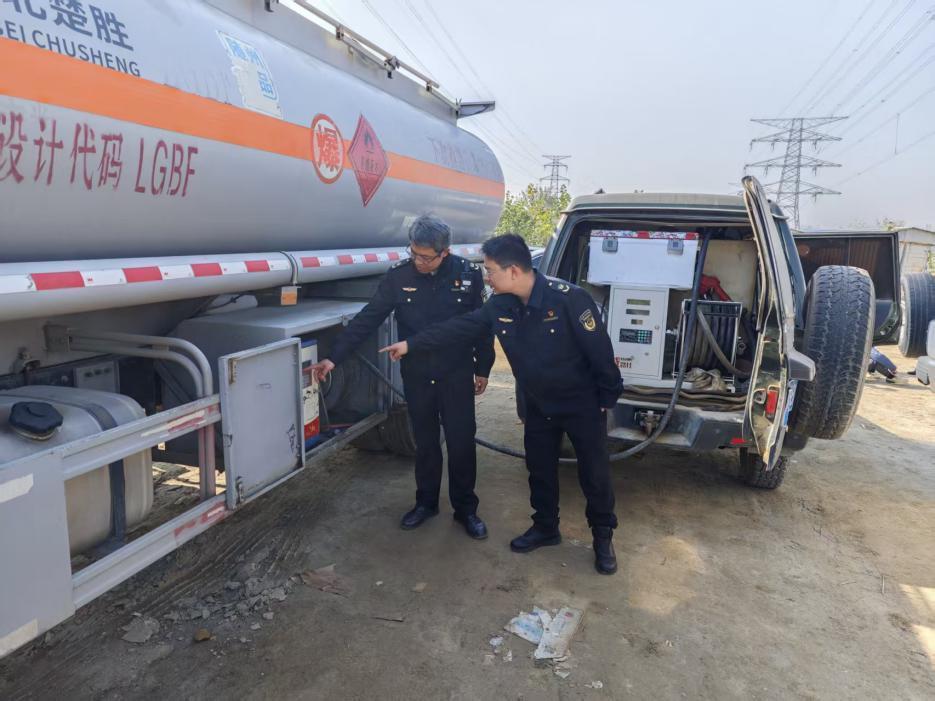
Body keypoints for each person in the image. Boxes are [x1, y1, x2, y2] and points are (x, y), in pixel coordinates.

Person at [381, 233, 623, 574]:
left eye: (491, 270)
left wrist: (607, 398)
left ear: (513, 271)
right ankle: (545, 528)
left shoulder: (569, 299)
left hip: (580, 404)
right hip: (538, 404)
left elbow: (601, 353)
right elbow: (459, 328)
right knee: (539, 469)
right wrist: (411, 345)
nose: (487, 277)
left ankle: (602, 536)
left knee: (594, 474)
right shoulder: (500, 305)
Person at [311, 215, 494, 539]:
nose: (419, 262)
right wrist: (333, 357)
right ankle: (425, 503)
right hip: (418, 374)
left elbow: (481, 325)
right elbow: (368, 318)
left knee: (461, 442)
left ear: (445, 252)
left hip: (456, 373)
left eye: (427, 257)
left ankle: (466, 509)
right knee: (425, 441)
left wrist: (483, 368)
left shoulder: (467, 274)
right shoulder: (399, 276)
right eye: (414, 254)